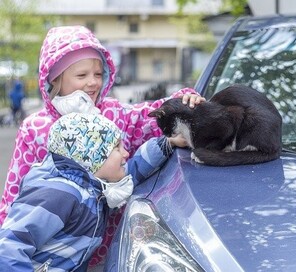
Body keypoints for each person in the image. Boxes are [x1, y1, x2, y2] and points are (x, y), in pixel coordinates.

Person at [0, 25, 204, 267]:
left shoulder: (113, 114)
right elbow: (14, 195)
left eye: (98, 74)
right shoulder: (34, 128)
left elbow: (149, 118)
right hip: (49, 258)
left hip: (105, 249)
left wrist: (183, 101)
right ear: (54, 78)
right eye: (82, 75)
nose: (92, 83)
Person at [0, 112, 188, 271]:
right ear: (92, 156)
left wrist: (166, 144)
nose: (125, 153)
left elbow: (133, 171)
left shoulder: (96, 189)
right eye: (116, 148)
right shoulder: (58, 195)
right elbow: (8, 247)